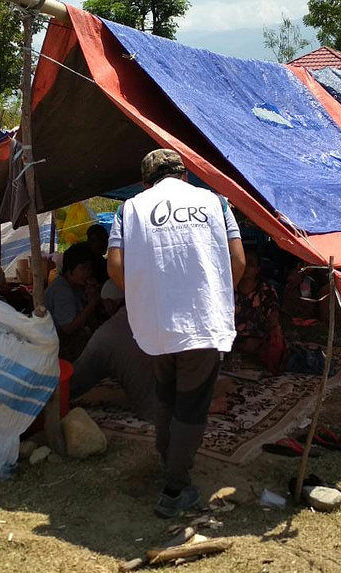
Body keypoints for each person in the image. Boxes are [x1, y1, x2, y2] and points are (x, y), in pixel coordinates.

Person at [107, 148, 245, 518]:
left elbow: (115, 265)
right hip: (202, 320)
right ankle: (174, 488)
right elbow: (238, 261)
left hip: (154, 323)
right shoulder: (216, 203)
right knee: (192, 404)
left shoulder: (130, 208)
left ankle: (167, 461)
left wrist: (143, 299)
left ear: (144, 181)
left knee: (166, 394)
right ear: (185, 175)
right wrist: (214, 294)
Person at [45, 244, 100, 361]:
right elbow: (68, 328)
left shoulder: (75, 286)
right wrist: (92, 304)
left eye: (89, 269)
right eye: (83, 268)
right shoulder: (63, 291)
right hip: (57, 349)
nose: (87, 273)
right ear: (70, 270)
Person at [234, 248, 282, 358]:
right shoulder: (230, 288)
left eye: (250, 264)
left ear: (257, 269)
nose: (245, 267)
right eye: (244, 262)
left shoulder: (266, 291)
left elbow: (274, 318)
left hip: (256, 340)